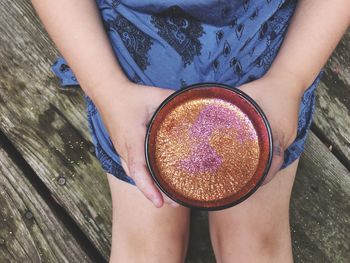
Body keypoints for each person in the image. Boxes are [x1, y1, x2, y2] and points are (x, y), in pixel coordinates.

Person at [31, 0, 350, 262]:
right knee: (147, 249)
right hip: (133, 49)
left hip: (262, 42)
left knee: (254, 244)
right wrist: (107, 88)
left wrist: (291, 78)